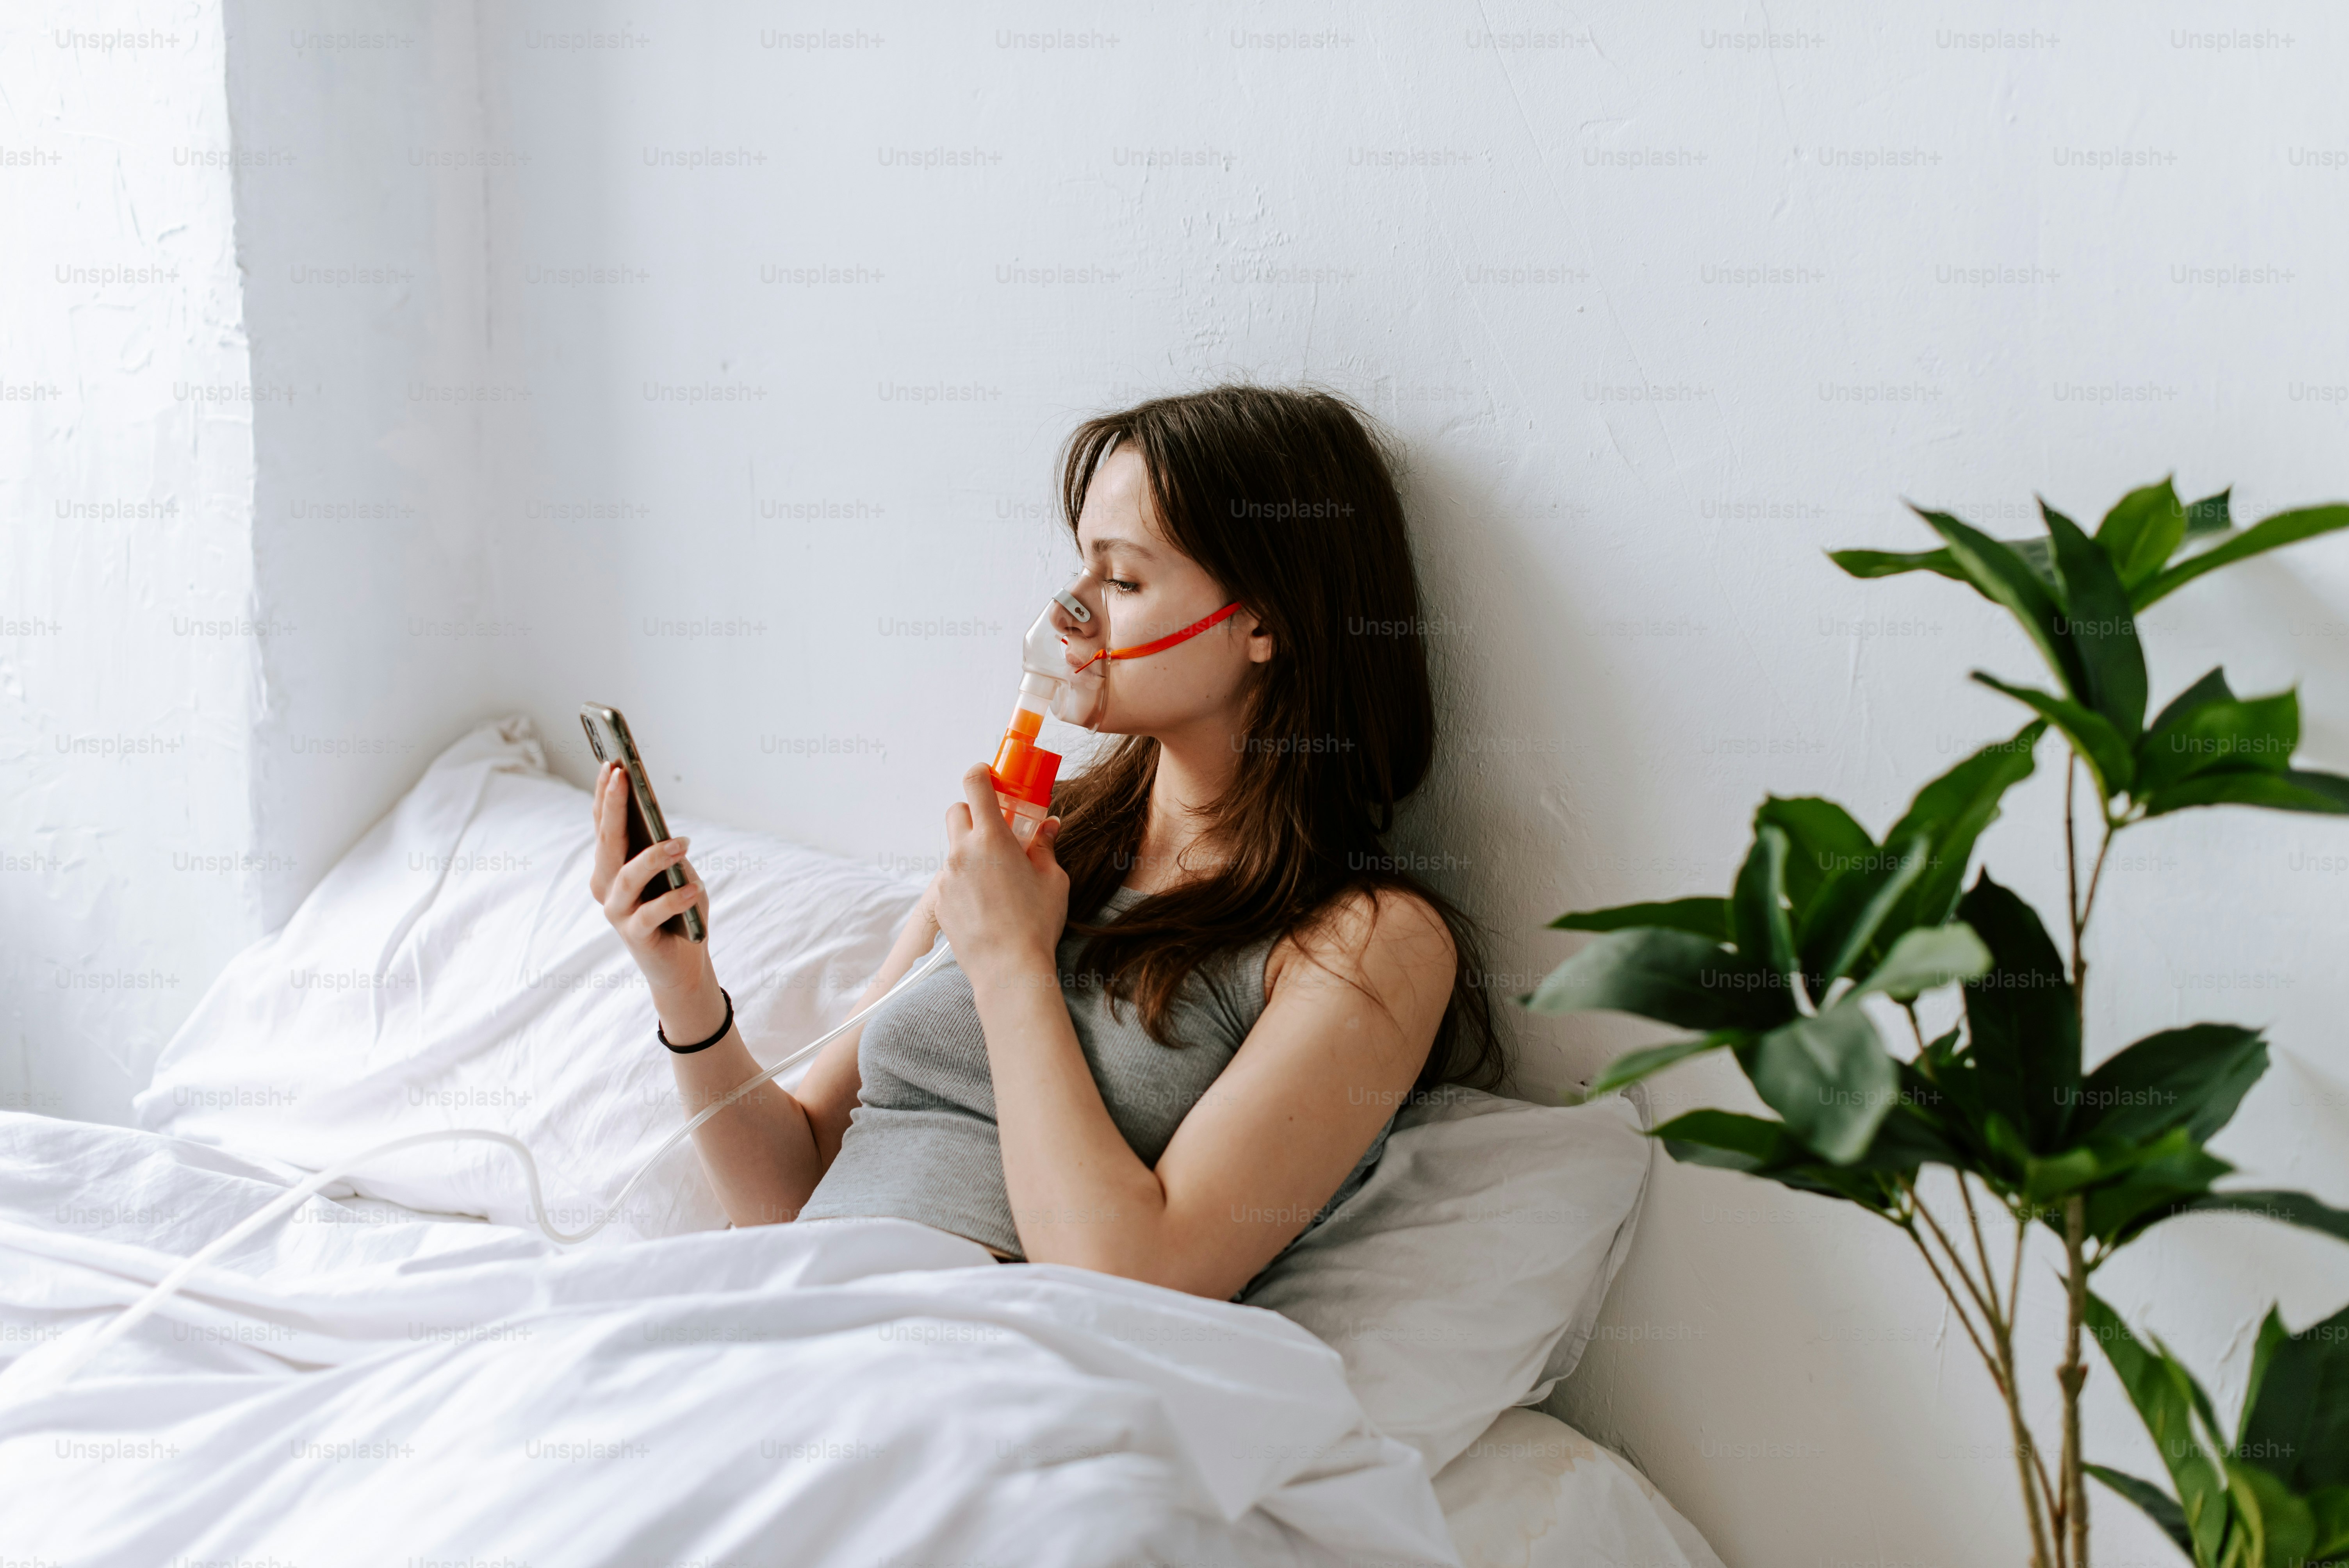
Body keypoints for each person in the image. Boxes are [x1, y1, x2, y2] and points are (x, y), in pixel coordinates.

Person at [588, 385, 1503, 1303]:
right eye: (1080, 568)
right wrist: (684, 985)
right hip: (800, 1302)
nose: (1069, 611)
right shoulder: (1029, 841)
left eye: (1122, 580)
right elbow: (788, 1194)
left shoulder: (1368, 943)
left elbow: (1137, 1278)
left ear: (1262, 622)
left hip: (985, 1357)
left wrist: (1012, 963)